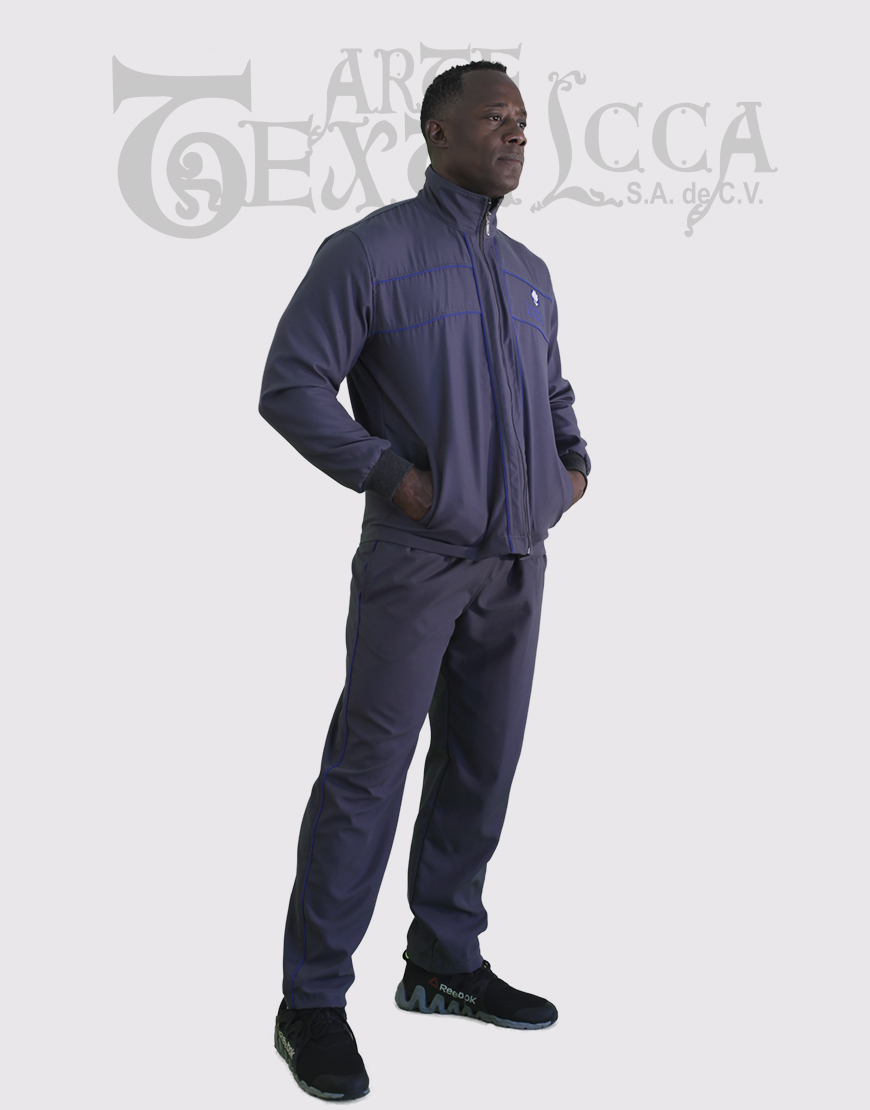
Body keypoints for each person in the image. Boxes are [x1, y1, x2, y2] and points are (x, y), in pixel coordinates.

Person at [259, 59, 590, 1101]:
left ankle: (443, 963)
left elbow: (552, 390)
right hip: (416, 561)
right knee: (368, 775)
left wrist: (570, 469)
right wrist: (394, 479)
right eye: (495, 118)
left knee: (482, 768)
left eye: (524, 120)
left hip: (516, 562)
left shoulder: (529, 270)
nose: (517, 133)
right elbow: (291, 385)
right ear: (437, 134)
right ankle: (311, 1001)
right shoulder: (370, 253)